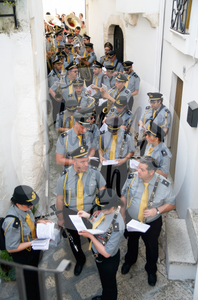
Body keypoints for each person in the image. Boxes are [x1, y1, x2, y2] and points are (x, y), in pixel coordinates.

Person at [120, 156, 176, 286]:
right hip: (132, 219)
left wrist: (157, 210)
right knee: (132, 241)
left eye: (142, 169)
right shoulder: (132, 177)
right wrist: (122, 215)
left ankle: (151, 270)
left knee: (151, 247)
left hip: (152, 222)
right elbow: (123, 195)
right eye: (138, 167)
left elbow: (172, 204)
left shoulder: (164, 184)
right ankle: (130, 260)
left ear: (151, 172)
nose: (137, 171)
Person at [56, 145, 106, 276]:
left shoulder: (95, 172)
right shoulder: (64, 177)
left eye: (87, 160)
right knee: (74, 240)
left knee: (94, 236)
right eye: (82, 161)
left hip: (90, 212)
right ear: (74, 161)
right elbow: (60, 199)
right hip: (71, 214)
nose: (86, 164)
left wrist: (102, 209)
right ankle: (80, 259)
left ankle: (97, 252)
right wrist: (60, 217)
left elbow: (103, 191)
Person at [2, 185, 52, 300]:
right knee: (30, 285)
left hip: (32, 248)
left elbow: (28, 223)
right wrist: (33, 242)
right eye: (29, 205)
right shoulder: (12, 223)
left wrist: (39, 222)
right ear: (18, 204)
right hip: (24, 256)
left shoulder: (25, 209)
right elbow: (11, 248)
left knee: (34, 276)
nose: (32, 206)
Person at [78, 188, 125, 300]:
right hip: (98, 253)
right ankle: (105, 297)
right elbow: (99, 225)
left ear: (113, 207)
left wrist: (90, 236)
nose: (101, 211)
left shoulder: (117, 225)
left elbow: (107, 253)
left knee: (110, 284)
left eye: (103, 209)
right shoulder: (106, 210)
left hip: (108, 260)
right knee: (105, 281)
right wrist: (88, 216)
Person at [99, 116, 135, 192]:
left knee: (120, 188)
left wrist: (124, 159)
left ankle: (118, 203)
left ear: (118, 127)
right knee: (105, 187)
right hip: (106, 165)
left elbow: (132, 151)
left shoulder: (127, 136)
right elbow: (100, 147)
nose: (112, 133)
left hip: (120, 165)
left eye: (114, 131)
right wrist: (101, 156)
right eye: (111, 130)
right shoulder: (103, 134)